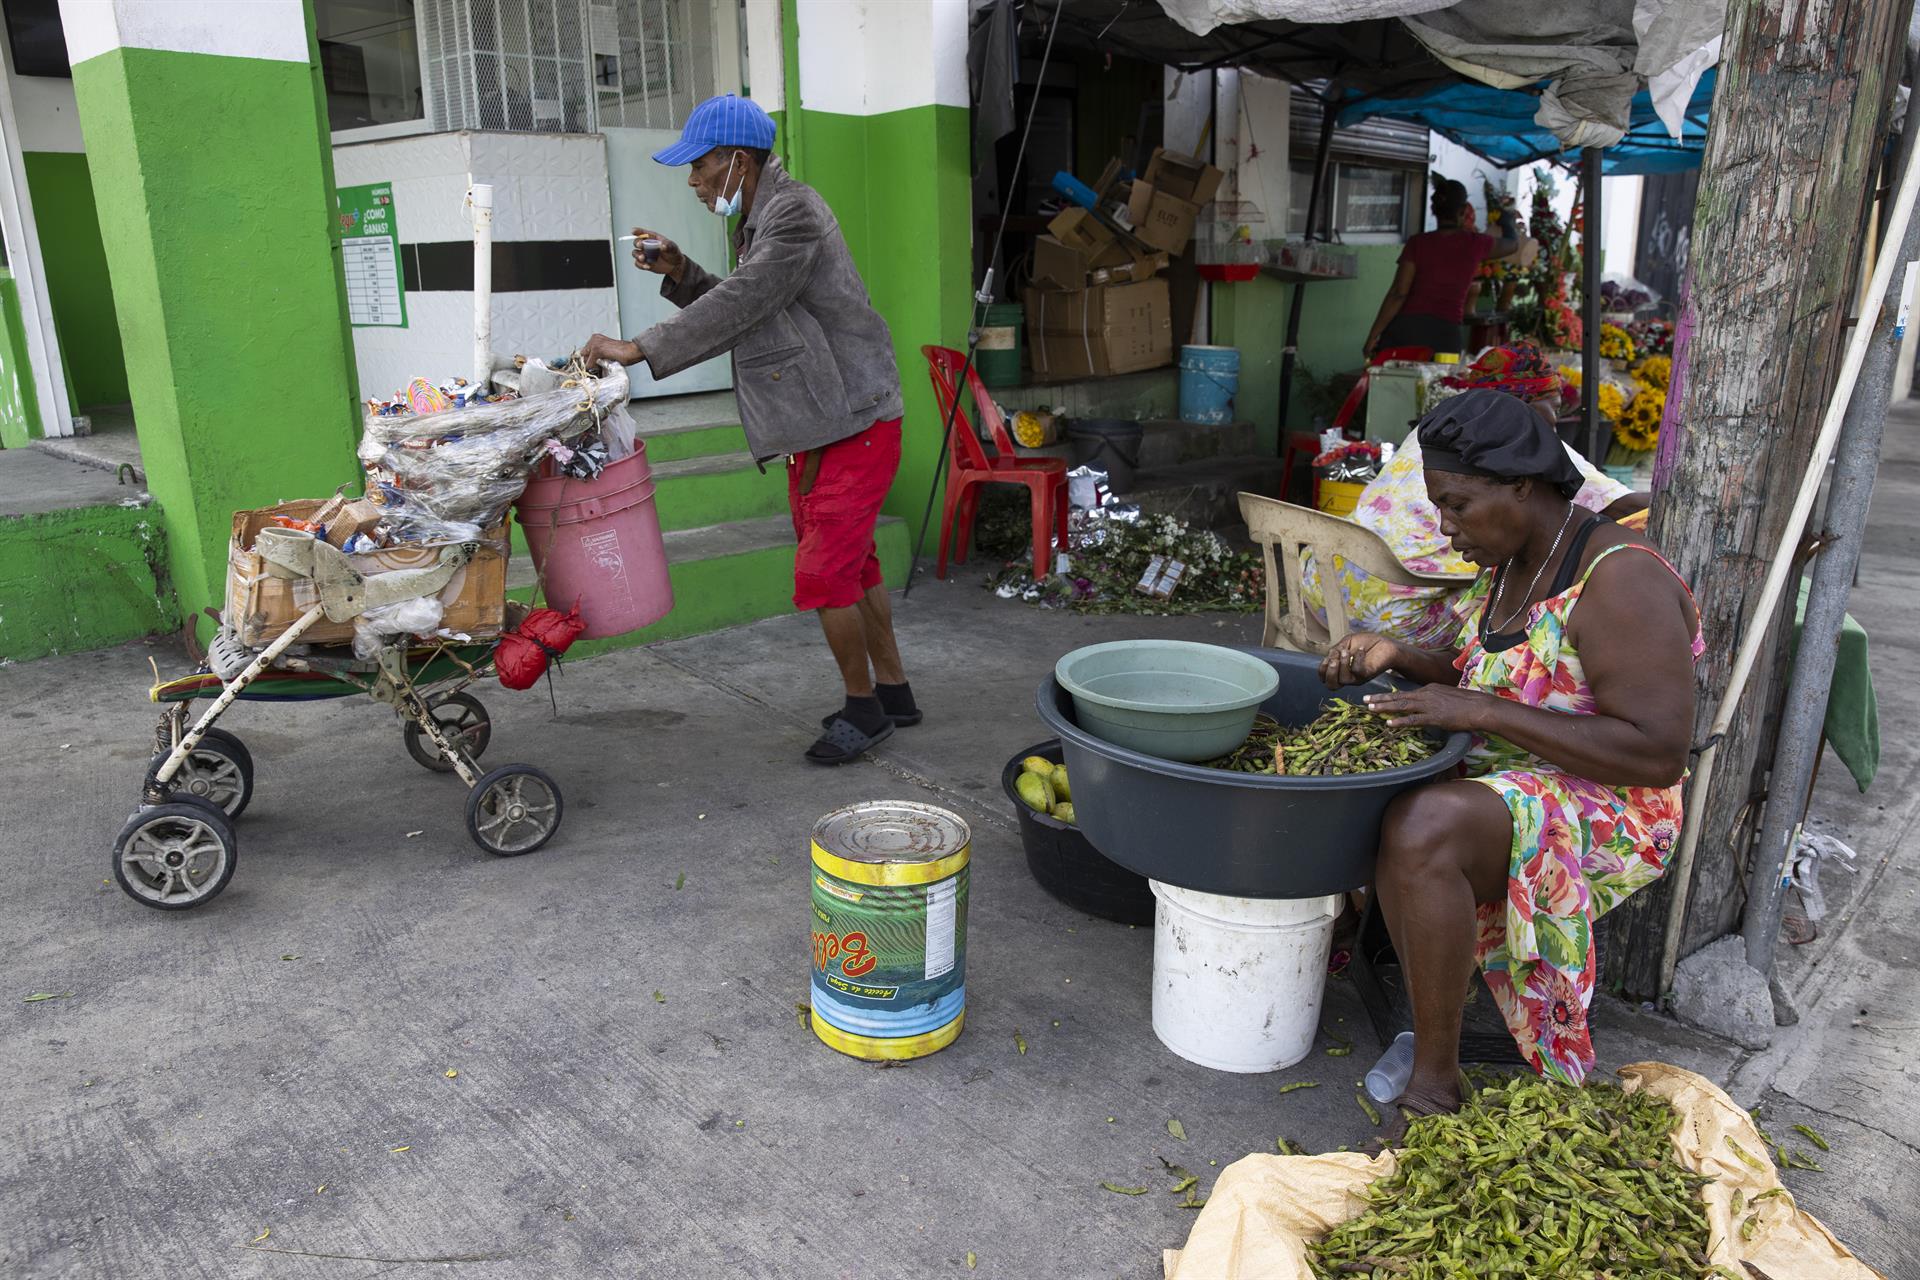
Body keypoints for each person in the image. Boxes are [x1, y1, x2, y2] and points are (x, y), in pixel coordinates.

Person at [1320, 389, 1701, 1121]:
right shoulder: (1515, 556)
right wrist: (1398, 653)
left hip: (1614, 804)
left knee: (1425, 822)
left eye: (1457, 504)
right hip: (1517, 770)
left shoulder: (1621, 578)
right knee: (1375, 784)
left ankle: (1435, 1080)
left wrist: (1485, 712)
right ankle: (1396, 974)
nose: (1445, 525)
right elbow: (1485, 673)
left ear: (1521, 487)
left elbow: (1656, 754)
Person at [580, 95, 918, 766]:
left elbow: (747, 299)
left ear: (737, 162)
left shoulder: (793, 214)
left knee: (824, 573)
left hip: (852, 416)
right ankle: (895, 693)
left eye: (700, 167)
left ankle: (864, 710)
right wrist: (681, 272)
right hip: (822, 420)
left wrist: (639, 348)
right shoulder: (763, 218)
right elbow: (754, 308)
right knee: (853, 564)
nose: (693, 181)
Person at [1299, 344, 1650, 648]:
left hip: (1322, 587)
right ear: (1522, 408)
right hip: (1391, 615)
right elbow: (1630, 506)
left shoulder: (1435, 430)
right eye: (1552, 407)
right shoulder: (1522, 442)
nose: (1554, 422)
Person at [1362, 178, 1537, 359]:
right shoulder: (1475, 243)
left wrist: (1373, 335)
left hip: (1404, 332)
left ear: (1434, 210)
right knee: (1441, 386)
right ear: (1463, 211)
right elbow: (1512, 245)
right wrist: (1506, 221)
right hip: (1444, 335)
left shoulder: (1417, 243)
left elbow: (1398, 293)